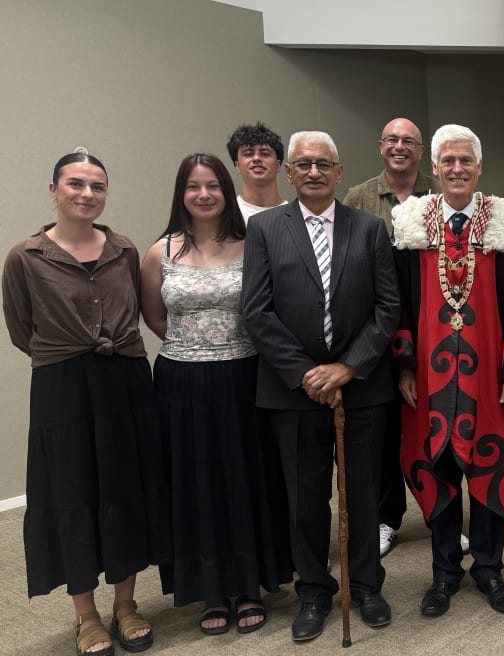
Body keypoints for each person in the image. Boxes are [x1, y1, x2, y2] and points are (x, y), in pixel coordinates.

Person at [2, 149, 171, 656]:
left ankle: (125, 605)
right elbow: (20, 329)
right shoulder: (25, 257)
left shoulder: (122, 250)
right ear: (54, 191)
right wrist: (71, 355)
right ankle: (85, 615)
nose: (86, 194)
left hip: (125, 381)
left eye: (97, 186)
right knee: (71, 492)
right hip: (63, 387)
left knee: (125, 487)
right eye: (75, 184)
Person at [241, 131, 400, 641]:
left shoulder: (370, 229)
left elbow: (387, 307)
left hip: (362, 387)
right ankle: (313, 589)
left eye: (323, 164)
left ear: (339, 171)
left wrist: (348, 368)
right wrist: (307, 373)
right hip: (292, 392)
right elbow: (256, 311)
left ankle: (366, 585)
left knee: (361, 495)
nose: (314, 172)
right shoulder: (265, 229)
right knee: (305, 498)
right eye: (303, 164)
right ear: (290, 172)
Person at [140, 153, 292, 635]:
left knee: (248, 479)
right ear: (180, 194)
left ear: (227, 193)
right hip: (182, 383)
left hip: (246, 377)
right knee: (194, 484)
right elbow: (155, 317)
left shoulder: (254, 244)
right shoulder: (158, 251)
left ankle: (249, 584)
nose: (203, 194)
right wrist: (196, 347)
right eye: (193, 186)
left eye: (213, 186)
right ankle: (209, 590)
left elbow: (269, 308)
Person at [391, 123, 504, 618]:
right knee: (439, 467)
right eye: (447, 161)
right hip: (430, 377)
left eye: (465, 161)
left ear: (479, 166)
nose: (457, 169)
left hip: (490, 372)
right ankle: (444, 572)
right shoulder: (410, 223)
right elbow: (399, 300)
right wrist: (404, 365)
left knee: (490, 466)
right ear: (434, 168)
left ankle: (490, 569)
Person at [343, 117, 442, 558]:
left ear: (421, 152)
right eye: (392, 140)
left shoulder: (440, 196)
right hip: (376, 333)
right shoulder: (358, 198)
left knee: (432, 425)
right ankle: (387, 518)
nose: (400, 146)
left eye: (409, 141)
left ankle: (441, 516)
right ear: (380, 146)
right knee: (382, 433)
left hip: (433, 328)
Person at [225, 122, 286, 218]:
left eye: (265, 153)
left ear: (278, 165)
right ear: (237, 165)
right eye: (248, 153)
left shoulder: (297, 217)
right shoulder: (226, 216)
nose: (256, 158)